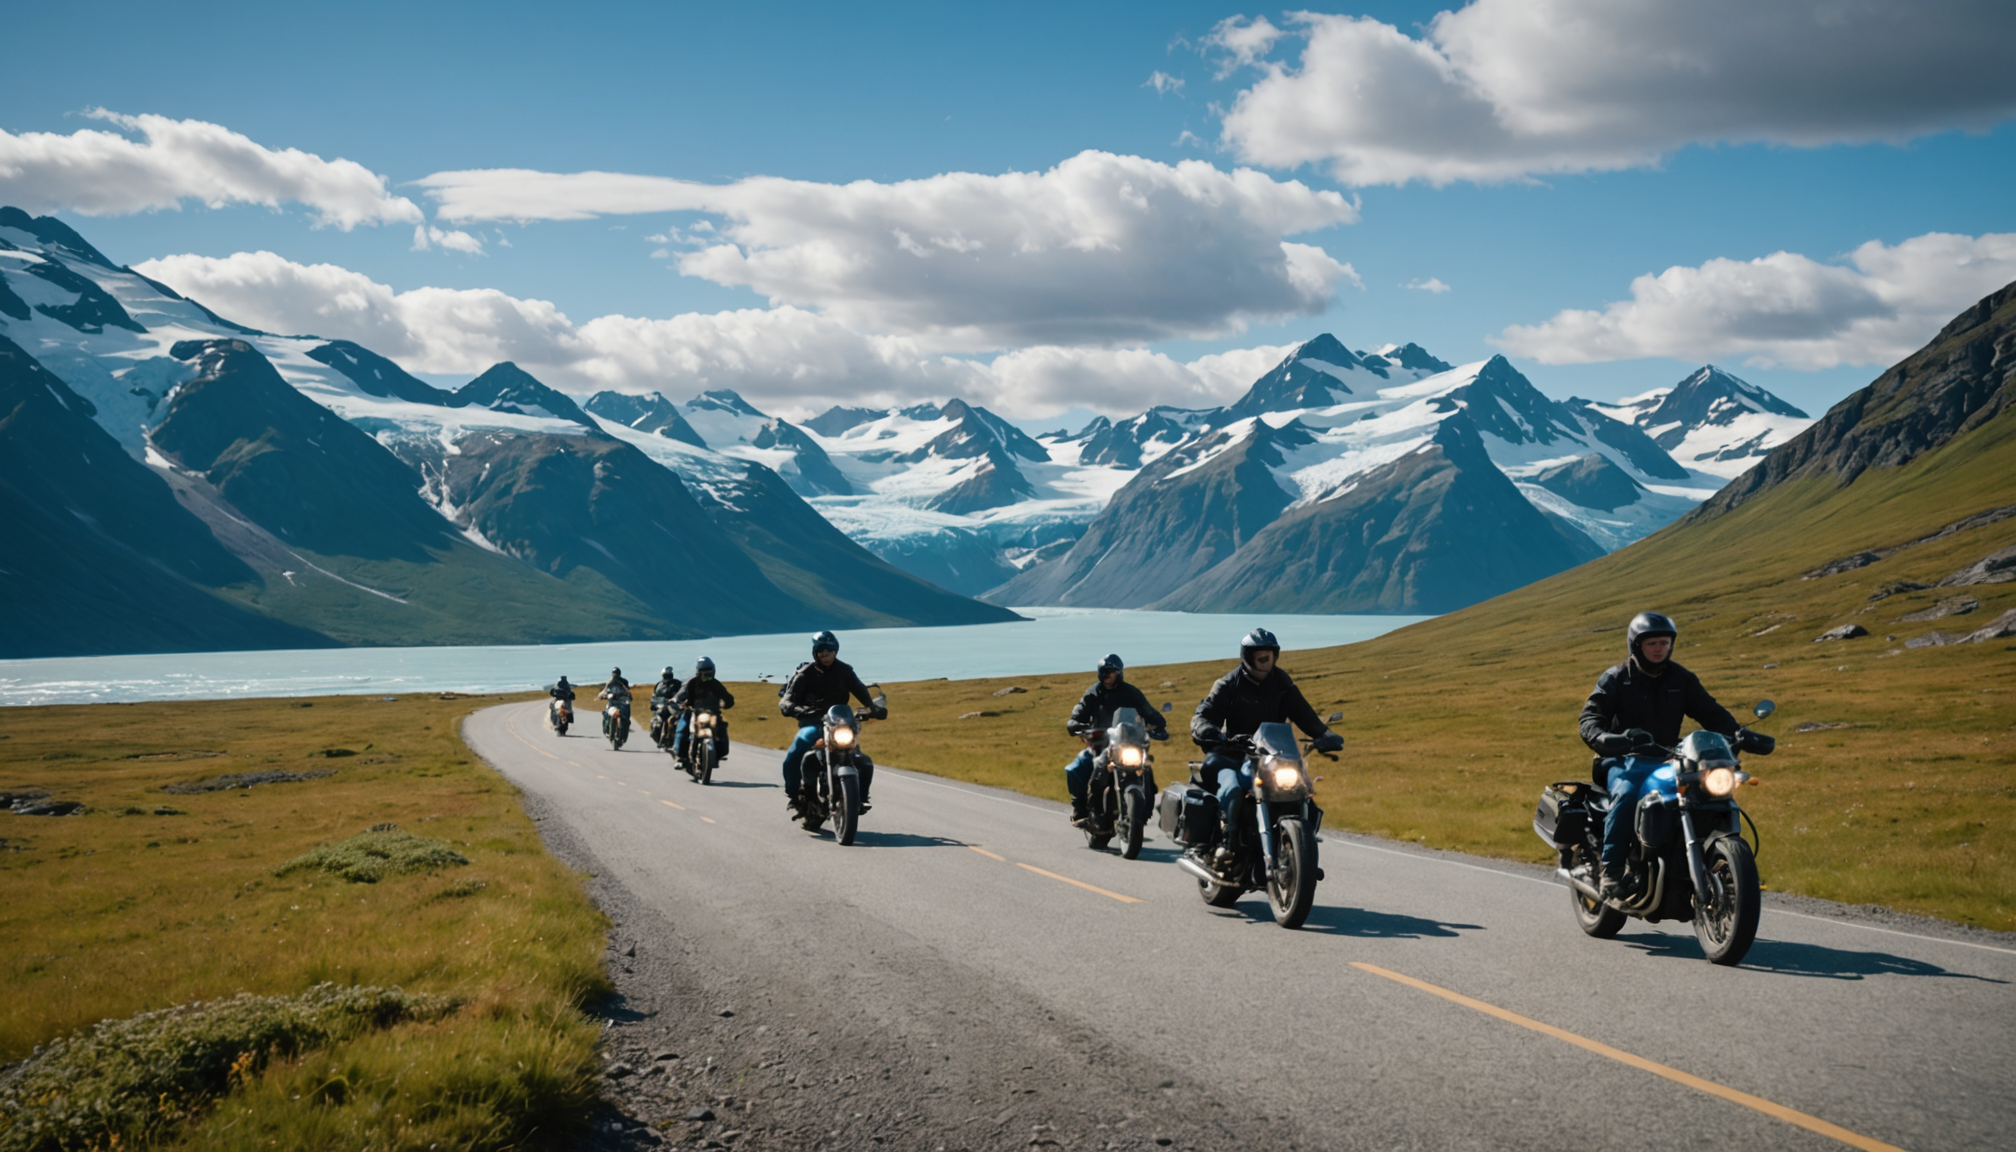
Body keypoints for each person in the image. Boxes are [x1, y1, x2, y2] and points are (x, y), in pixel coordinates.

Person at [1578, 611, 1742, 901]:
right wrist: (1608, 739)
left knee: (1704, 791)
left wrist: (1738, 735)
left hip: (1668, 758)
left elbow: (1712, 713)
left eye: (1664, 643)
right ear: (1636, 646)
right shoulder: (1617, 678)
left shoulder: (1682, 679)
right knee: (1629, 793)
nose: (1658, 649)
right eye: (1651, 643)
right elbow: (1590, 717)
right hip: (1622, 758)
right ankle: (1611, 872)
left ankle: (1709, 860)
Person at [1191, 629, 1342, 849]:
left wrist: (1323, 734)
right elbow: (1204, 715)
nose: (1266, 658)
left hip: (1272, 758)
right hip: (1234, 756)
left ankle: (1302, 848)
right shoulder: (1228, 684)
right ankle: (1227, 843)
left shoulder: (1281, 682)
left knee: (1301, 794)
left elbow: (1303, 713)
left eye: (1270, 654)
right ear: (1247, 656)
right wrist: (1206, 730)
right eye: (1260, 654)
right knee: (1232, 791)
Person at [779, 631, 885, 812]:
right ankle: (795, 793)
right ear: (815, 651)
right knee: (796, 752)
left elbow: (859, 690)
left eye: (829, 649)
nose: (825, 653)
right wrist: (792, 707)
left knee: (863, 761)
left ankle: (860, 798)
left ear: (836, 650)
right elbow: (787, 699)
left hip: (840, 724)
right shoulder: (805, 674)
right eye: (820, 649)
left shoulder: (845, 671)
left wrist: (873, 707)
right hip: (813, 722)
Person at [1062, 653, 1167, 826]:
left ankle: (1144, 811)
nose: (1107, 676)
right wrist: (1076, 724)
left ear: (1119, 673)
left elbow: (1148, 711)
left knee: (1146, 769)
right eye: (1104, 672)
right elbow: (1079, 712)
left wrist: (1159, 725)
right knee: (1076, 768)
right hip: (1101, 743)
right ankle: (1083, 810)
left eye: (1110, 672)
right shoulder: (1093, 693)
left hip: (1129, 743)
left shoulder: (1131, 692)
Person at [672, 656, 735, 764]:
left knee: (722, 728)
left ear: (713, 672)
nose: (705, 676)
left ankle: (719, 753)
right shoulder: (692, 683)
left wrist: (728, 703)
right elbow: (681, 695)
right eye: (702, 673)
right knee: (683, 727)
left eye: (708, 673)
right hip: (695, 712)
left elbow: (727, 697)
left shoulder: (716, 684)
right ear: (698, 672)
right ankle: (681, 756)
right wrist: (678, 702)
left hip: (712, 713)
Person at [649, 665, 683, 747]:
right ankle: (660, 736)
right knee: (656, 721)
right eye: (666, 674)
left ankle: (671, 738)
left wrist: (679, 702)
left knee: (675, 720)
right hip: (662, 707)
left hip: (673, 706)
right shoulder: (659, 685)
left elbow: (682, 694)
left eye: (669, 674)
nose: (668, 676)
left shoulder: (676, 683)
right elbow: (654, 696)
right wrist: (654, 704)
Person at [598, 667, 633, 740]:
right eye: (614, 673)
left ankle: (624, 730)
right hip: (612, 702)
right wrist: (602, 696)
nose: (615, 675)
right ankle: (607, 729)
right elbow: (605, 690)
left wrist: (628, 696)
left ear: (619, 674)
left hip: (621, 702)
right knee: (606, 713)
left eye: (616, 673)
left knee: (625, 716)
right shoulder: (609, 682)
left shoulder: (624, 682)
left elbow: (627, 691)